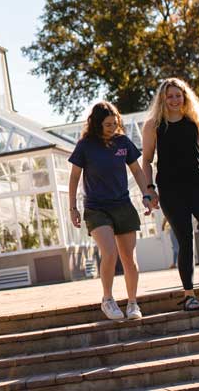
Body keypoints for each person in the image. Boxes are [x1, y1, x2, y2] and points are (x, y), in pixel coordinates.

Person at [141, 78, 199, 311]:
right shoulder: (153, 126)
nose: (174, 100)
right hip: (170, 190)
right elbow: (146, 161)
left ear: (185, 97)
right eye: (169, 96)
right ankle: (189, 294)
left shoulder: (194, 121)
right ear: (162, 99)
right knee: (185, 239)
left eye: (178, 95)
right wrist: (150, 190)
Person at [68, 101, 158, 321]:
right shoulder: (85, 146)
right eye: (107, 124)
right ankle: (108, 299)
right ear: (97, 124)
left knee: (129, 259)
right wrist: (72, 207)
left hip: (122, 205)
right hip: (96, 208)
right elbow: (74, 177)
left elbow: (137, 170)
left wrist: (147, 194)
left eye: (114, 123)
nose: (112, 127)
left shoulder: (123, 142)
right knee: (109, 252)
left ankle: (133, 303)